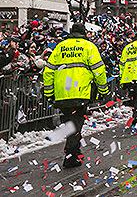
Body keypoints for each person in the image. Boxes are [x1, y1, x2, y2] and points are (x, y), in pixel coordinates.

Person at [42, 23, 109, 168]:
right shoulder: (89, 47)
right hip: (80, 92)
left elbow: (48, 71)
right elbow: (99, 70)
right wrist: (103, 90)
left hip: (62, 93)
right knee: (75, 124)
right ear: (84, 33)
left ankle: (74, 151)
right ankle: (70, 155)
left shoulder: (60, 47)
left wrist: (49, 93)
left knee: (70, 123)